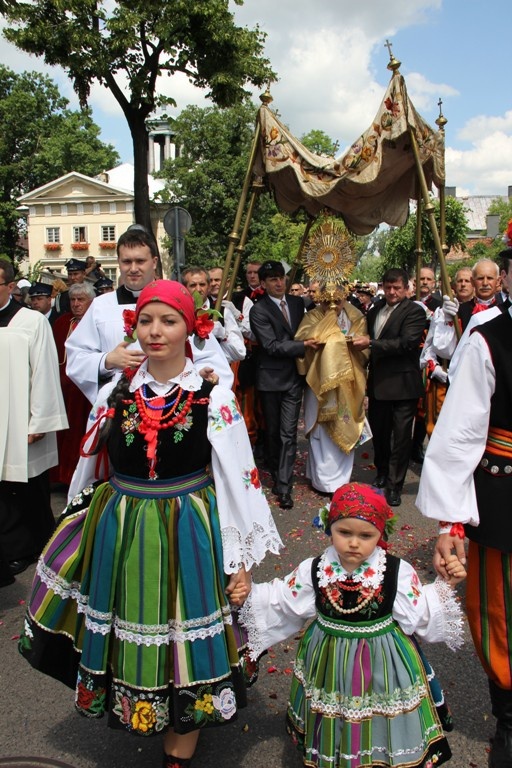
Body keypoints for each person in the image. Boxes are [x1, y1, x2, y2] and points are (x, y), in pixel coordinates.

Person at [19, 280, 282, 767]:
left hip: (189, 528)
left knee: (184, 624)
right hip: (123, 530)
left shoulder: (212, 397)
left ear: (191, 328)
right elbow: (89, 466)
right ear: (132, 326)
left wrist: (240, 562)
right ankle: (142, 700)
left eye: (169, 321)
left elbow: (237, 484)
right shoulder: (116, 393)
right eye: (146, 321)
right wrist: (77, 529)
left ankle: (179, 746)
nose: (155, 332)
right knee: (136, 621)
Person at [238, 482, 466, 768]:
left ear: (381, 534)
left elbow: (419, 614)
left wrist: (446, 585)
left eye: (366, 535)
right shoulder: (316, 568)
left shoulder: (396, 571)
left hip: (382, 661)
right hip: (327, 661)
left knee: (377, 714)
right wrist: (246, 593)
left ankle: (376, 757)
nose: (354, 543)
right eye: (344, 532)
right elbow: (283, 600)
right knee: (334, 711)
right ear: (329, 527)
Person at [416, 300, 512, 768]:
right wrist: (451, 521)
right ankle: (510, 719)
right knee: (502, 611)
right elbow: (460, 432)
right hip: (507, 494)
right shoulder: (488, 338)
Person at [0, 258, 68, 579]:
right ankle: (9, 548)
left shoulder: (31, 321)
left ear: (11, 287)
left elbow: (44, 373)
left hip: (21, 418)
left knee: (25, 487)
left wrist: (39, 420)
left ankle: (30, 548)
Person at [352, 268, 426, 507]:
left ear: (406, 288)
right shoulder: (374, 311)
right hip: (379, 383)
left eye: (397, 288)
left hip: (404, 384)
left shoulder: (414, 311)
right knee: (381, 434)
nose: (392, 292)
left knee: (402, 437)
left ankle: (395, 485)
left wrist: (372, 343)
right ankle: (382, 473)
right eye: (388, 287)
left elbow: (407, 343)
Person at [249, 260, 320, 509]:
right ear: (264, 284)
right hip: (270, 380)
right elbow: (270, 346)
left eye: (281, 278)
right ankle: (274, 466)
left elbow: (321, 315)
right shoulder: (258, 310)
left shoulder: (298, 303)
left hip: (294, 379)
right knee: (274, 432)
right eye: (272, 280)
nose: (279, 283)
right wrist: (303, 346)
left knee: (288, 433)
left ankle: (283, 485)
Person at [295, 286, 369, 494]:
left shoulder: (356, 316)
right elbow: (301, 342)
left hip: (348, 381)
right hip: (319, 382)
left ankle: (340, 480)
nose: (333, 304)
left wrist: (355, 344)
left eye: (338, 298)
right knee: (320, 430)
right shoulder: (313, 316)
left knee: (345, 424)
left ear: (345, 294)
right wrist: (315, 339)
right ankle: (322, 480)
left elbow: (365, 349)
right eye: (327, 300)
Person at [51, 282, 96, 486]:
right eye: (73, 300)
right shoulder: (61, 323)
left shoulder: (95, 322)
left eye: (81, 300)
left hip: (85, 390)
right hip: (62, 388)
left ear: (91, 302)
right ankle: (60, 477)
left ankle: (80, 479)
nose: (76, 304)